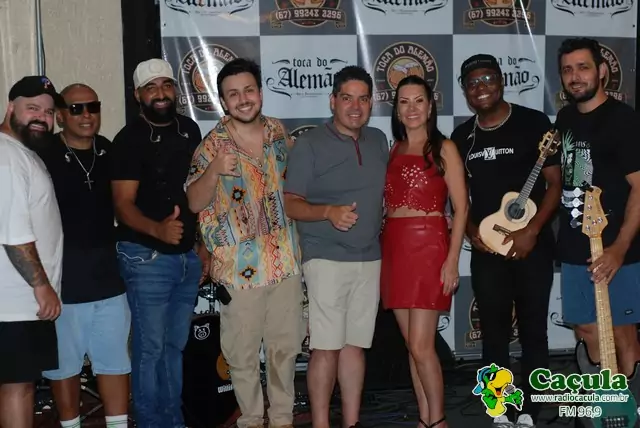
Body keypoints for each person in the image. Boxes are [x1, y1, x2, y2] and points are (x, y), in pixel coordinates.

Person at [186, 58, 304, 428]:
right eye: (233, 94)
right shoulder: (211, 146)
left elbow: (298, 182)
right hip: (239, 271)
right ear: (223, 101)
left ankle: (282, 420)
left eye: (249, 90)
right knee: (242, 357)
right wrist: (213, 171)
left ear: (261, 93)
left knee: (285, 351)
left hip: (284, 263)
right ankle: (251, 420)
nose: (243, 99)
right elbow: (193, 202)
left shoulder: (278, 132)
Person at [450, 54, 562, 428]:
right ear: (465, 91)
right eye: (472, 83)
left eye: (487, 79)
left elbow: (555, 183)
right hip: (487, 251)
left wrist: (532, 231)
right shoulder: (462, 137)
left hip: (532, 246)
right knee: (493, 334)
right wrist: (471, 232)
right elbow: (458, 198)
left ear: (501, 81)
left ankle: (530, 408)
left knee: (534, 331)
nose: (480, 88)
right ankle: (499, 407)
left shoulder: (534, 122)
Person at [283, 65, 389, 428]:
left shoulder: (378, 140)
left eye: (363, 99)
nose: (355, 107)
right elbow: (290, 203)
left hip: (370, 257)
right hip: (325, 258)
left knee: (354, 346)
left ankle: (352, 423)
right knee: (326, 348)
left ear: (371, 103)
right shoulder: (309, 144)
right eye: (347, 98)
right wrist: (328, 212)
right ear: (332, 101)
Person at [109, 58, 208, 428]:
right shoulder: (128, 139)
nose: (161, 93)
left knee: (173, 347)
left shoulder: (190, 129)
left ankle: (173, 421)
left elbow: (201, 192)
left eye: (166, 85)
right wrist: (158, 231)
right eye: (151, 88)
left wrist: (203, 245)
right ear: (138, 95)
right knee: (150, 349)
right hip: (145, 256)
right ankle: (151, 423)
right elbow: (122, 206)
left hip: (186, 258)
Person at [36, 83, 131, 428]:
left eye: (93, 106)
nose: (86, 114)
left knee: (115, 362)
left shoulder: (107, 150)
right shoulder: (42, 153)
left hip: (108, 278)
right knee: (64, 366)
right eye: (76, 109)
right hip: (62, 281)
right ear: (61, 116)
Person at [381, 75, 468, 428]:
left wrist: (452, 260)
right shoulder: (395, 148)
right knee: (412, 347)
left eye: (419, 100)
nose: (412, 108)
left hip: (429, 248)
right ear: (397, 110)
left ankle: (439, 421)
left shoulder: (444, 148)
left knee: (421, 346)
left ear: (430, 107)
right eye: (404, 102)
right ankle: (425, 419)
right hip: (395, 248)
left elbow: (461, 208)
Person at [555, 38, 640, 378]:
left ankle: (632, 402)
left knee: (622, 332)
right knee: (585, 328)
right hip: (575, 246)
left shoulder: (623, 120)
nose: (575, 77)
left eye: (583, 67)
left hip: (619, 249)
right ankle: (605, 399)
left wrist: (619, 248)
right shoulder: (564, 118)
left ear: (602, 71)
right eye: (567, 70)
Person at [0, 76, 65, 428]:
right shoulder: (7, 157)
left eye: (49, 112)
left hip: (20, 302)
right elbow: (14, 234)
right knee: (17, 388)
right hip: (14, 303)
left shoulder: (21, 153)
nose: (42, 117)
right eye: (33, 108)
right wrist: (42, 286)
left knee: (20, 386)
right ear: (11, 108)